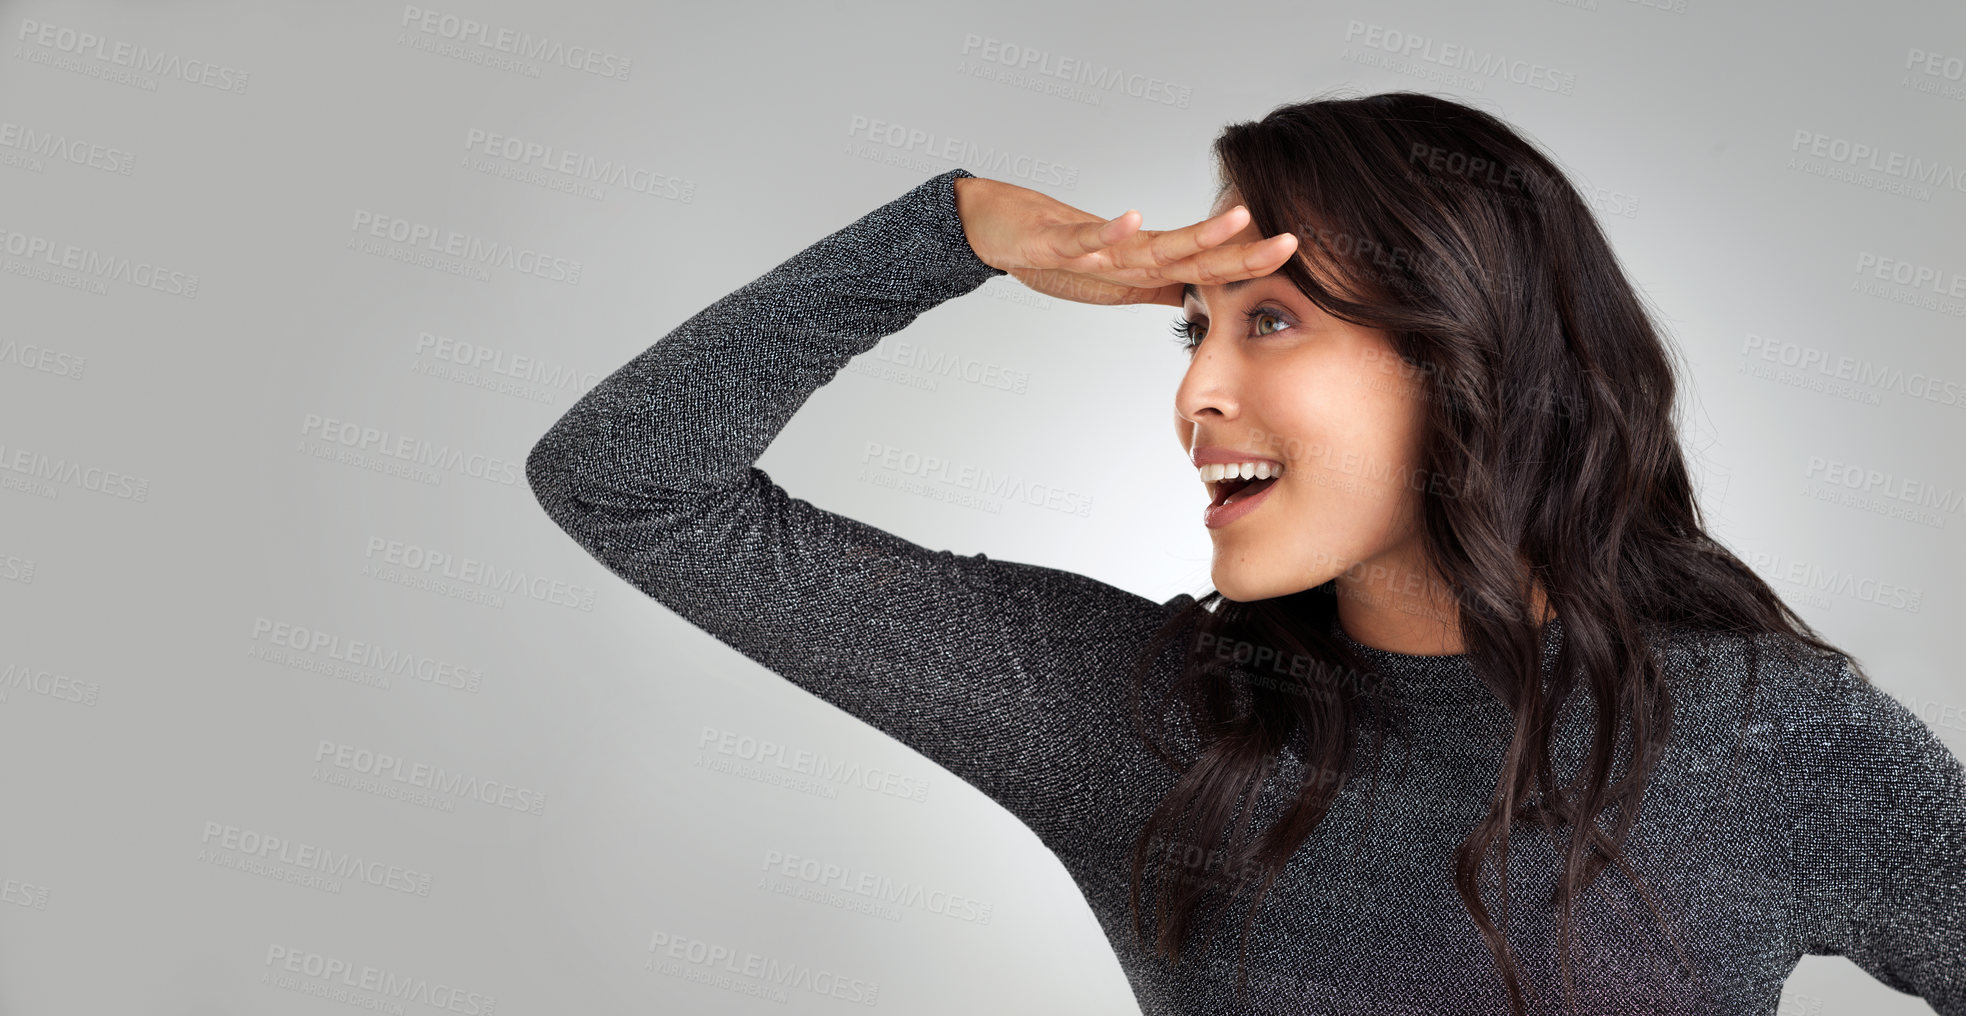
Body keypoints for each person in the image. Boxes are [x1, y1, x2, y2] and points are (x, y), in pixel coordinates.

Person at [525, 90, 1966, 1015]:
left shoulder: (1769, 735)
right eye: (1191, 325)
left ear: (1464, 354)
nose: (1196, 391)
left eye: (1266, 319)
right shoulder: (1145, 715)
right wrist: (951, 232)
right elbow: (630, 483)